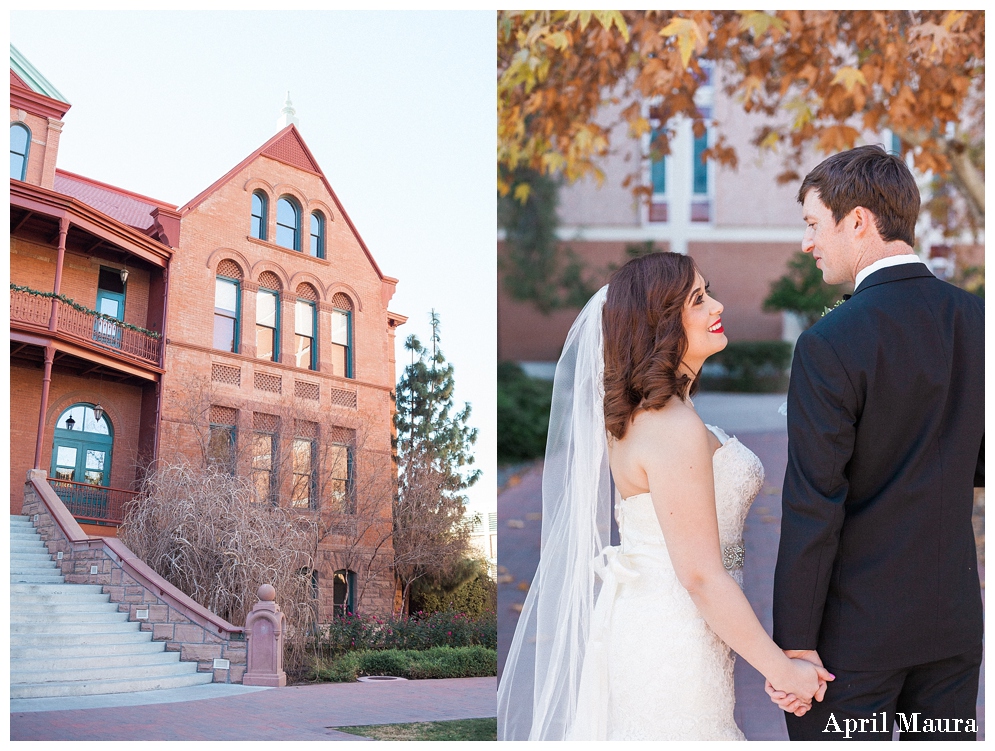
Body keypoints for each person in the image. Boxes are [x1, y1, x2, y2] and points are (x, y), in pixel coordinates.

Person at [497, 251, 832, 740]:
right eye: (698, 299)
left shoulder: (651, 415)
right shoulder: (670, 425)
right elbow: (699, 575)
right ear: (660, 324)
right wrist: (782, 671)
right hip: (673, 635)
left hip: (664, 623)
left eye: (707, 291)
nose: (717, 305)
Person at [768, 145, 985, 740]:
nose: (808, 243)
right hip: (954, 627)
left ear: (857, 221)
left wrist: (796, 644)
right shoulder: (978, 322)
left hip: (855, 642)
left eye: (814, 224)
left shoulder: (831, 343)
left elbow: (814, 505)